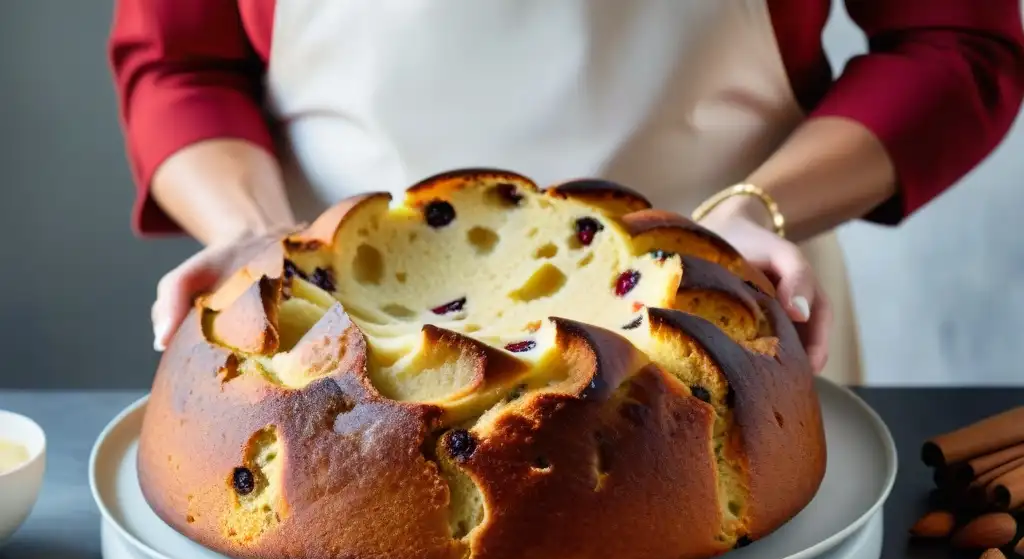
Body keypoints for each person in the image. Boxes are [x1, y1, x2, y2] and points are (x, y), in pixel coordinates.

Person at [108, 1, 1024, 385]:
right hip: (342, 352)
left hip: (714, 317)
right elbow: (179, 58)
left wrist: (758, 208)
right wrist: (258, 237)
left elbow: (954, 41)